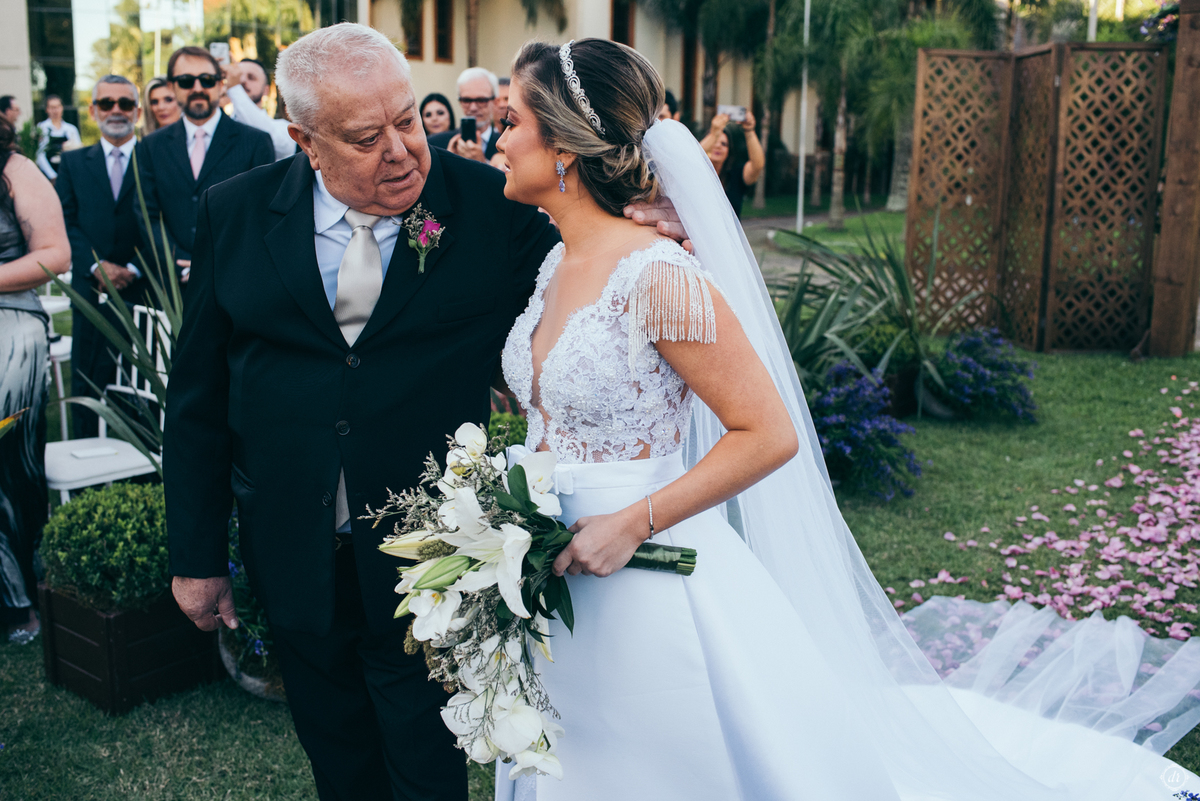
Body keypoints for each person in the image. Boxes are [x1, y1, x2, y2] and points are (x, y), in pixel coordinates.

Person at [491, 38, 1200, 801]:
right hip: (551, 574)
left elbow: (768, 433)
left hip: (648, 581)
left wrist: (632, 519)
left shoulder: (658, 273)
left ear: (563, 140)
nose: (496, 138)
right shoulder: (554, 266)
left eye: (509, 120)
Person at [162, 23, 679, 801]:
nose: (402, 151)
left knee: (427, 769)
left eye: (407, 120)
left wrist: (659, 224)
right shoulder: (233, 213)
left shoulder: (488, 207)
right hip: (294, 549)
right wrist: (195, 555)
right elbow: (196, 399)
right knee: (338, 760)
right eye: (367, 137)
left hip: (432, 559)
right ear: (304, 139)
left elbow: (598, 284)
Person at [0, 115, 71, 645]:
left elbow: (55, 255)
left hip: (10, 330)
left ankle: (20, 600)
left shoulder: (15, 169)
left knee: (8, 469)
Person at [55, 75, 148, 438]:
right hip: (91, 295)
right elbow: (65, 220)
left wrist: (136, 268)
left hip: (143, 293)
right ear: (93, 110)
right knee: (87, 387)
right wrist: (96, 266)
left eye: (125, 104)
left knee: (141, 390)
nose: (116, 111)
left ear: (137, 112)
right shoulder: (73, 163)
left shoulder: (155, 157)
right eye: (106, 103)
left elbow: (162, 221)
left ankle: (140, 476)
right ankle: (86, 475)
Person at [135, 46, 273, 284]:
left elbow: (260, 215)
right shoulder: (150, 146)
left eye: (207, 80)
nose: (197, 88)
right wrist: (179, 263)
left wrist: (215, 261)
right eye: (186, 81)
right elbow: (147, 214)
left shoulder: (256, 142)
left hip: (234, 281)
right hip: (172, 287)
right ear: (172, 87)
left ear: (221, 85)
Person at [222, 58, 297, 161]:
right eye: (238, 77)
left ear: (266, 90)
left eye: (251, 77)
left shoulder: (283, 128)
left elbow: (268, 138)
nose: (242, 81)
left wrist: (234, 88)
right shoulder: (220, 126)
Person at [427, 67, 501, 163]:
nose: (473, 107)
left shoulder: (507, 145)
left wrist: (483, 164)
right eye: (466, 100)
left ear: (495, 102)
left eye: (481, 100)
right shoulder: (435, 144)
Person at [700, 111, 763, 218]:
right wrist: (713, 133)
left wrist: (749, 130)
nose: (718, 146)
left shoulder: (736, 175)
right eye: (715, 141)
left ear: (729, 151)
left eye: (724, 144)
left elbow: (757, 166)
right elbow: (690, 156)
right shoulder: (696, 174)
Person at [34, 95, 82, 182]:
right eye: (52, 107)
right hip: (49, 176)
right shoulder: (42, 128)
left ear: (62, 108)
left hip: (68, 174)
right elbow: (40, 154)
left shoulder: (71, 129)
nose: (55, 110)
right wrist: (52, 176)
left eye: (58, 107)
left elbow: (78, 153)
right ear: (47, 109)